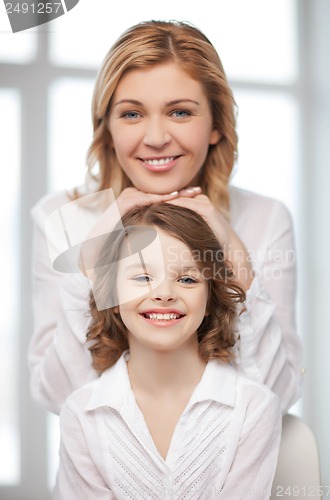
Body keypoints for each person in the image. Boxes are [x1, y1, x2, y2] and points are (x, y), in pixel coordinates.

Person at [29, 20, 302, 415]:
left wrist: (240, 273)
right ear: (106, 130)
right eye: (132, 114)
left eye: (179, 112)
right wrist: (91, 266)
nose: (156, 137)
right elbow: (58, 398)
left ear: (216, 125)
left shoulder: (265, 218)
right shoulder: (60, 218)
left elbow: (279, 395)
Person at [54, 203, 281, 499]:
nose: (164, 293)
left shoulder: (254, 407)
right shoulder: (81, 413)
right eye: (142, 277)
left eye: (187, 279)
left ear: (210, 294)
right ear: (110, 292)